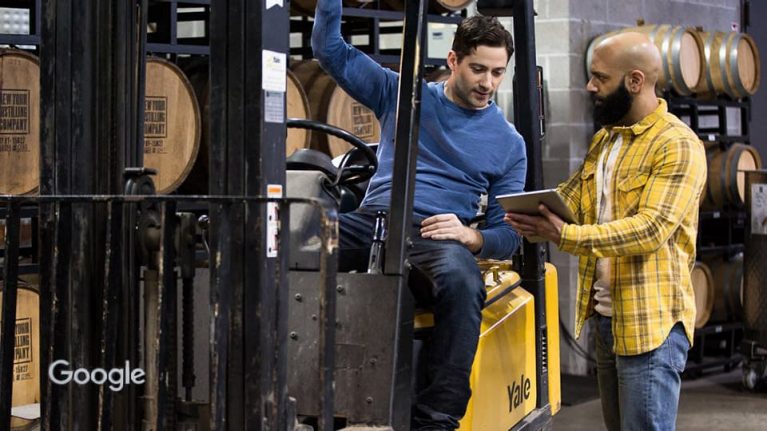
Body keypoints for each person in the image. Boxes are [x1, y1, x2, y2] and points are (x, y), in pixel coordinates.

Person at [312, 1, 526, 429]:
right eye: (478, 69)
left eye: (497, 72)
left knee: (463, 283)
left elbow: (509, 233)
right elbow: (329, 49)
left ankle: (437, 419)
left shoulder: (508, 143)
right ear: (453, 60)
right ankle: (296, 393)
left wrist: (472, 237)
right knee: (292, 249)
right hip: (375, 219)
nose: (488, 83)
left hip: (438, 235)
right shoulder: (401, 94)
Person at [504, 32, 706, 430]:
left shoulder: (677, 145)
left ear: (634, 81)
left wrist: (564, 236)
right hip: (606, 319)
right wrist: (520, 211)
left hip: (652, 326)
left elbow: (650, 229)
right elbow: (572, 201)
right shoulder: (606, 141)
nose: (590, 86)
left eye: (600, 77)